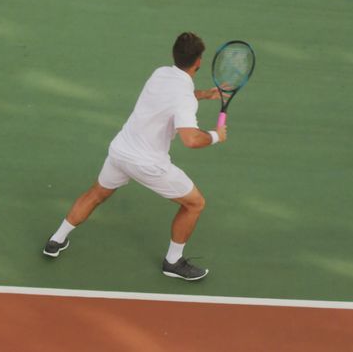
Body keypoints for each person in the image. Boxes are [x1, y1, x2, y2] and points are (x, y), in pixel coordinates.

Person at [43, 32, 227, 281]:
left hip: (120, 151)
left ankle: (56, 239)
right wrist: (217, 136)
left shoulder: (160, 73)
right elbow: (191, 139)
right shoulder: (183, 97)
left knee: (96, 194)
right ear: (199, 62)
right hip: (148, 164)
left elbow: (174, 98)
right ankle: (172, 262)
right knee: (195, 203)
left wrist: (205, 94)